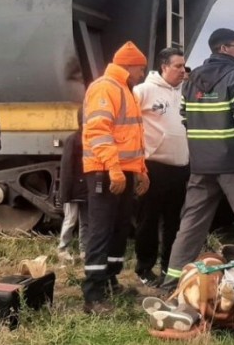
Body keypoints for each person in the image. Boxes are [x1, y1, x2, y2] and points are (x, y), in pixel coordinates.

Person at [161, 28, 234, 309]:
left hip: (201, 167)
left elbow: (186, 119)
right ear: (224, 48)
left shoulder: (190, 82)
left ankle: (170, 288)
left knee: (189, 228)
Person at [80, 41, 150, 315]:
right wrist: (114, 168)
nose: (143, 74)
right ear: (129, 66)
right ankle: (93, 295)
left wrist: (141, 171)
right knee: (101, 231)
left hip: (123, 171)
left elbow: (133, 137)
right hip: (105, 171)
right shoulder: (105, 87)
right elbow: (98, 131)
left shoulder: (125, 90)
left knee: (119, 229)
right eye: (141, 69)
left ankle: (110, 280)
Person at [132, 48, 190, 286]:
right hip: (153, 166)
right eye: (178, 66)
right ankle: (144, 268)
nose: (183, 71)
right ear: (164, 67)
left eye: (184, 67)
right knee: (148, 219)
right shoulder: (144, 91)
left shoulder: (184, 94)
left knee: (174, 221)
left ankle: (169, 267)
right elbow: (130, 125)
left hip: (180, 167)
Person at [56, 109, 88, 263]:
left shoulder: (77, 139)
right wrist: (65, 193)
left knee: (84, 221)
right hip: (74, 189)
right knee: (72, 219)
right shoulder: (74, 140)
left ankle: (84, 251)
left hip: (82, 190)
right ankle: (63, 249)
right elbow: (67, 168)